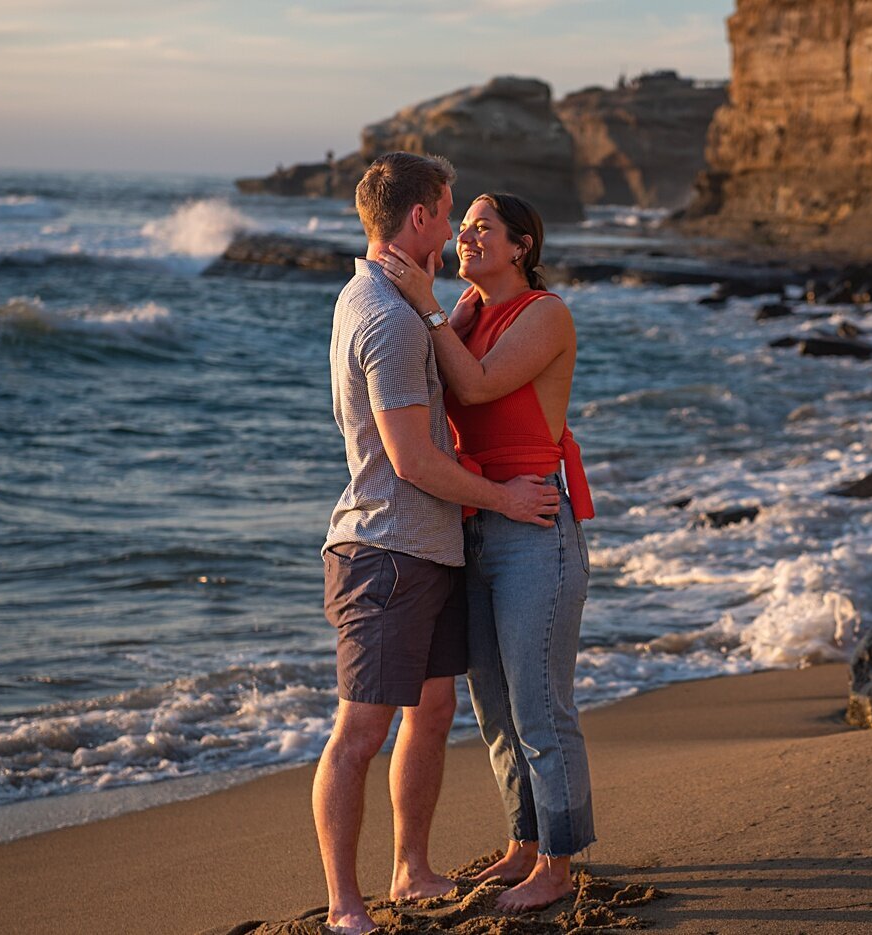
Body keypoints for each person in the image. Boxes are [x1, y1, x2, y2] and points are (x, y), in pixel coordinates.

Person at [317, 154, 560, 935]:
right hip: (385, 550)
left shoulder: (408, 302)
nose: (457, 229)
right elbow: (412, 459)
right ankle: (344, 904)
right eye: (450, 213)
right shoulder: (386, 315)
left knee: (431, 708)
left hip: (430, 548)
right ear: (419, 217)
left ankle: (411, 868)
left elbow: (480, 380)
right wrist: (503, 496)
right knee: (359, 730)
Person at [376, 191, 596, 913]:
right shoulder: (465, 312)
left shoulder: (545, 313)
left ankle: (559, 862)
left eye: (481, 228)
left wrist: (426, 301)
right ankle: (524, 844)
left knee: (539, 702)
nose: (466, 237)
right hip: (471, 522)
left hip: (532, 522)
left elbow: (475, 383)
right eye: (461, 226)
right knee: (495, 707)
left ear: (521, 245)